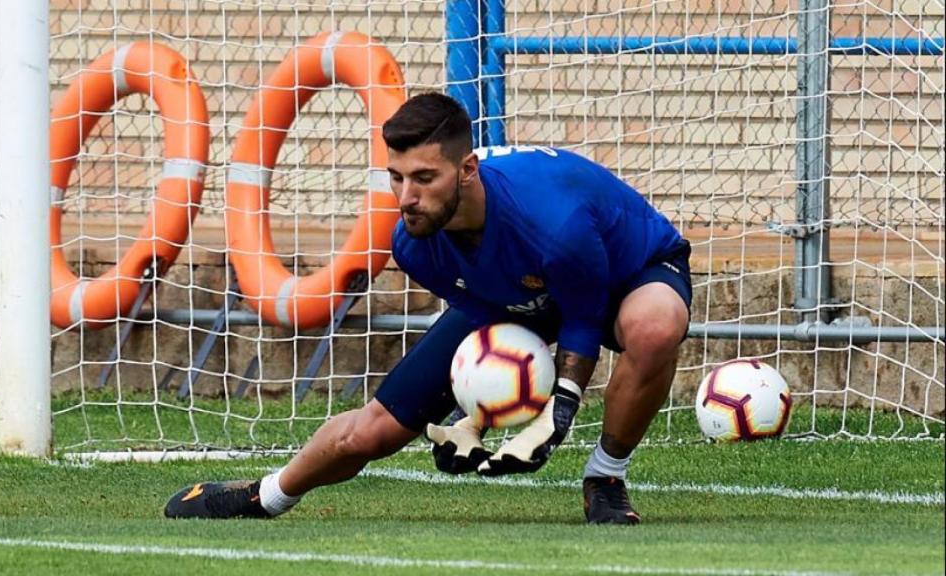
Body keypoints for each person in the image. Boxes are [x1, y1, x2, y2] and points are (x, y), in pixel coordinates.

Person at [164, 93, 692, 524]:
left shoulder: (555, 225)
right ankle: (267, 495)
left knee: (654, 327)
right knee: (371, 431)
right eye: (397, 177)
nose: (406, 196)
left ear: (466, 170)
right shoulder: (414, 245)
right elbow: (491, 329)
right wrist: (472, 416)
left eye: (424, 178)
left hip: (629, 269)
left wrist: (556, 415)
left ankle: (605, 478)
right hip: (515, 291)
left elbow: (581, 316)